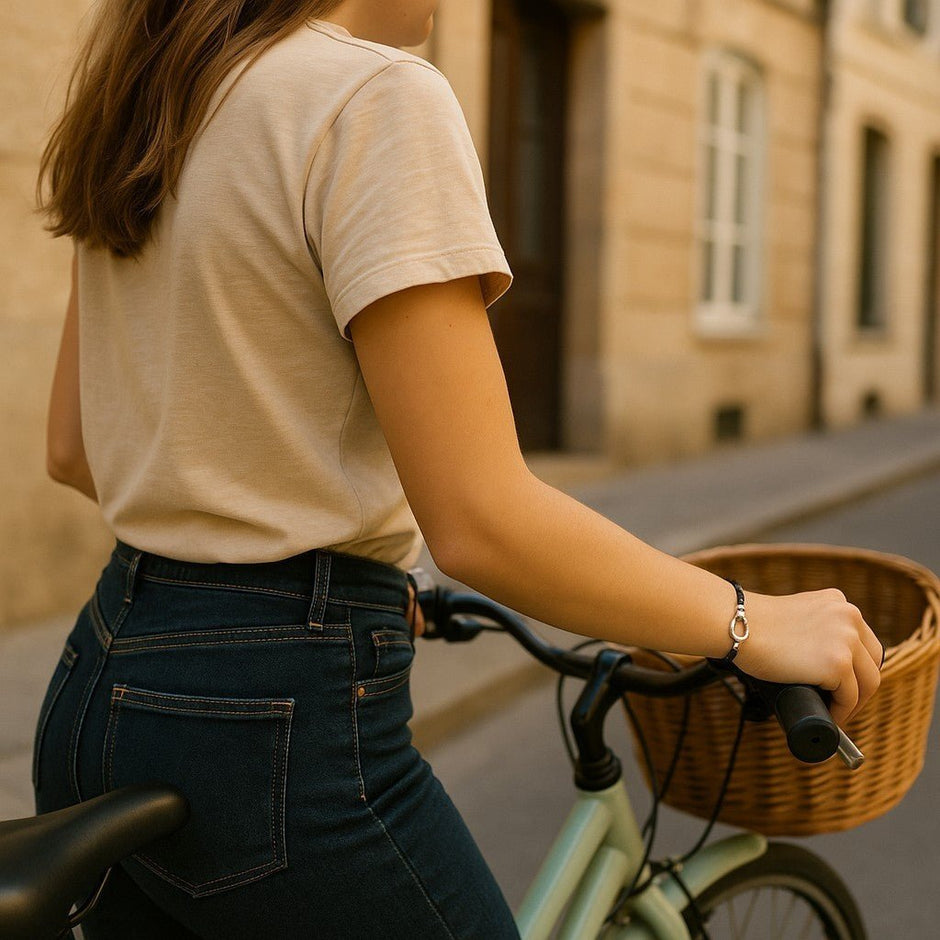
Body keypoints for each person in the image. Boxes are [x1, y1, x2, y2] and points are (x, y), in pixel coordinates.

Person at [35, 1, 882, 937]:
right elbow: (480, 521)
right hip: (269, 726)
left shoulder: (153, 104)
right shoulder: (374, 97)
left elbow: (76, 449)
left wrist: (319, 555)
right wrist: (746, 621)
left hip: (98, 681)